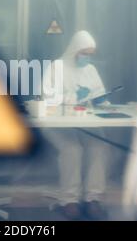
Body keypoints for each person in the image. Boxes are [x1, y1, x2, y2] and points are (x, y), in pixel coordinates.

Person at [43, 30, 109, 220]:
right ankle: (69, 201)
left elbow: (99, 95)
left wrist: (103, 101)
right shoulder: (57, 67)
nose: (87, 58)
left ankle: (92, 199)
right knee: (72, 149)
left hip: (85, 121)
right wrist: (71, 98)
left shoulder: (90, 70)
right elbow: (46, 96)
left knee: (99, 145)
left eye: (90, 54)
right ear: (75, 49)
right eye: (84, 53)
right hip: (58, 123)